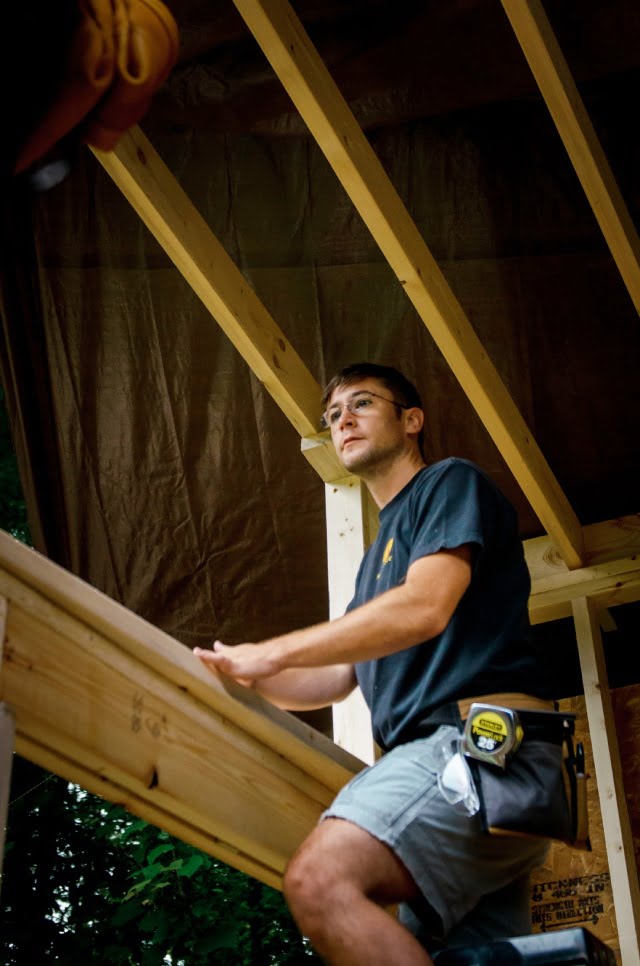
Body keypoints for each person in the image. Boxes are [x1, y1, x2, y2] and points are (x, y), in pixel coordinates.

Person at [195, 362, 560, 965]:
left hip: (479, 745)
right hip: (464, 770)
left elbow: (425, 607)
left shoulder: (448, 484)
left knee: (321, 881)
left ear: (411, 421)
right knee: (455, 955)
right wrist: (243, 676)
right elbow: (337, 679)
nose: (344, 420)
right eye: (333, 415)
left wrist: (273, 648)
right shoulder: (373, 565)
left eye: (362, 403)